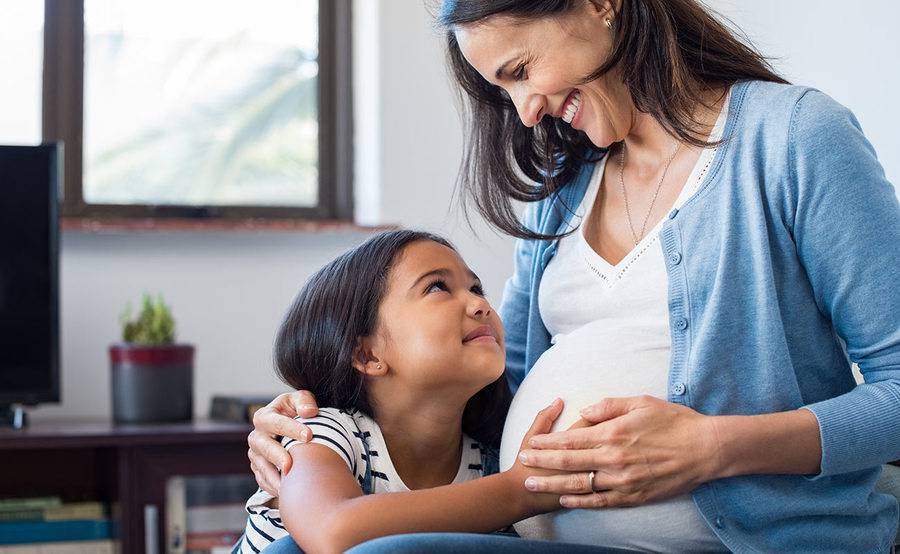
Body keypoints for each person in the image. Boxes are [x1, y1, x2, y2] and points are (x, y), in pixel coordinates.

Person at [248, 1, 900, 552]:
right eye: (502, 91)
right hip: (540, 535)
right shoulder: (562, 194)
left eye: (522, 70)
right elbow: (496, 394)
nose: (525, 111)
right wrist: (319, 428)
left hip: (744, 540)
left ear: (601, 4)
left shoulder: (791, 139)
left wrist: (713, 448)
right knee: (291, 545)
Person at [233, 230, 642, 554]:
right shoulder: (323, 435)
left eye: (477, 288)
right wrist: (521, 490)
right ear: (367, 353)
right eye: (437, 288)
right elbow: (334, 533)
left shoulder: (485, 458)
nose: (479, 305)